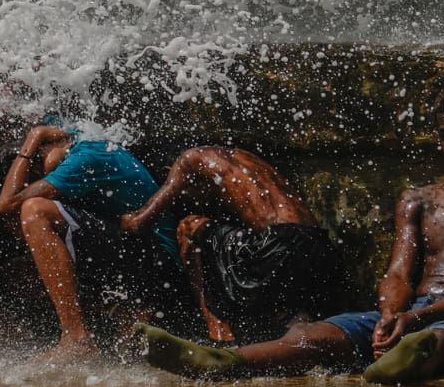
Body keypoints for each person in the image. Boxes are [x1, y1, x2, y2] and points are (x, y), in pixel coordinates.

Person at [137, 81, 444, 384]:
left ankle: (404, 359)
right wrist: (390, 314)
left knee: (440, 340)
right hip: (407, 313)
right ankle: (223, 361)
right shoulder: (419, 200)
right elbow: (398, 273)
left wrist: (415, 320)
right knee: (311, 334)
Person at [0, 119, 187, 360]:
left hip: (158, 263)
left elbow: (8, 204)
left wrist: (31, 139)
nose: (46, 176)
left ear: (44, 146)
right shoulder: (75, 136)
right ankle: (114, 316)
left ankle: (76, 338)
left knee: (34, 211)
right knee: (21, 264)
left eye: (39, 168)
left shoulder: (86, 158)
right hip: (138, 254)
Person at [121, 146, 345, 343]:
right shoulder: (239, 159)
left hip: (279, 246)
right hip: (320, 248)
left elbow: (138, 223)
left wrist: (118, 217)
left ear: (168, 171)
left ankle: (219, 336)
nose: (187, 201)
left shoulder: (188, 160)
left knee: (188, 226)